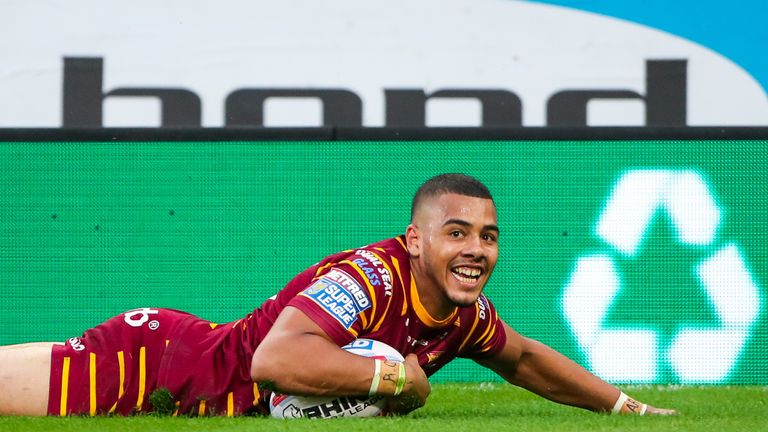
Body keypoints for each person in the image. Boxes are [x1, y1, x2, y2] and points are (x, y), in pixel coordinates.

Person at [0, 173, 675, 417]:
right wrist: (397, 379)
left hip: (195, 384)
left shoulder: (462, 314)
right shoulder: (368, 281)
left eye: (489, 237)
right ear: (416, 240)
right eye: (458, 233)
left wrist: (625, 407)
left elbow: (524, 360)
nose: (476, 250)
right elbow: (271, 362)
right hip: (161, 368)